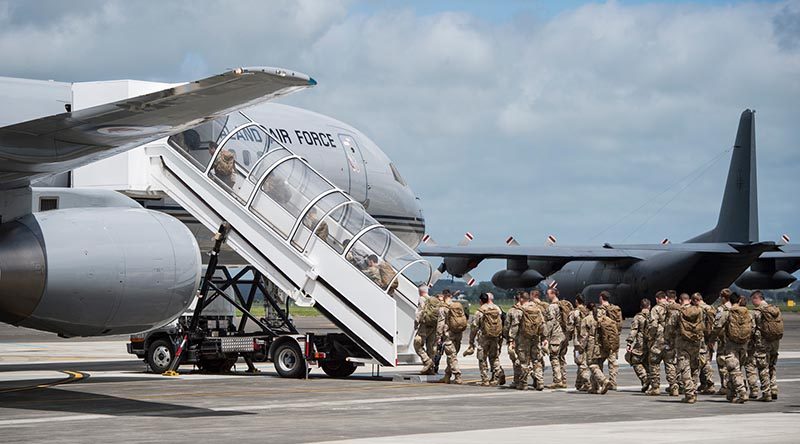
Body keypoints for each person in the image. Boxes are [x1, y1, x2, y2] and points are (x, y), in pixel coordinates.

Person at [714, 294, 751, 403]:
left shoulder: (727, 313)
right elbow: (752, 328)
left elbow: (717, 327)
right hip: (744, 345)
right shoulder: (748, 313)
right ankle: (731, 394)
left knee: (734, 370)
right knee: (735, 369)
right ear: (739, 300)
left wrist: (711, 339)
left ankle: (742, 393)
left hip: (731, 346)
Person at [465, 293, 505, 386]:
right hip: (495, 337)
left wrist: (471, 341)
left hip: (484, 338)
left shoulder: (480, 311)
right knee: (494, 357)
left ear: (480, 301)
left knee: (482, 358)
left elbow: (474, 327)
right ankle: (497, 374)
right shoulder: (497, 309)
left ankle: (485, 379)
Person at [750, 290, 783, 401]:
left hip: (763, 343)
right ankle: (774, 389)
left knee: (763, 367)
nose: (752, 302)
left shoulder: (757, 312)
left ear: (756, 298)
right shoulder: (774, 309)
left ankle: (766, 393)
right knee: (772, 366)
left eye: (753, 299)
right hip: (775, 342)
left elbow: (752, 329)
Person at [509, 292, 545, 390]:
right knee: (536, 360)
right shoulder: (537, 309)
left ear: (521, 299)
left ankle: (523, 383)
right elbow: (542, 324)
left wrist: (511, 339)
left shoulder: (520, 310)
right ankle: (540, 382)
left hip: (523, 339)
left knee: (524, 361)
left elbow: (515, 326)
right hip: (535, 338)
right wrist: (543, 337)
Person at [674, 293, 705, 404]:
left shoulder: (678, 311)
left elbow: (671, 327)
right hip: (696, 343)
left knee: (684, 368)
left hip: (682, 343)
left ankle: (689, 394)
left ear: (680, 300)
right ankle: (694, 391)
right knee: (695, 367)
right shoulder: (699, 310)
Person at [581, 303, 613, 395]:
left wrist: (581, 348)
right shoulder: (601, 318)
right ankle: (595, 387)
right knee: (598, 364)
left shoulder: (586, 319)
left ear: (587, 309)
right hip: (601, 343)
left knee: (591, 364)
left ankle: (604, 381)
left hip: (592, 344)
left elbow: (584, 336)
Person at [436, 291, 466, 384]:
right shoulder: (457, 306)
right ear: (451, 296)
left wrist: (438, 336)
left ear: (444, 296)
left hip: (449, 335)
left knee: (451, 356)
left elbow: (440, 323)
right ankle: (447, 376)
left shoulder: (443, 308)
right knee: (452, 356)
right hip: (458, 334)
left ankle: (458, 376)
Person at [414, 290, 445, 374]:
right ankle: (430, 369)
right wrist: (439, 334)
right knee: (431, 348)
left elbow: (418, 316)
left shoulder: (426, 305)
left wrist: (416, 326)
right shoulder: (440, 308)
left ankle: (427, 361)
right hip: (434, 329)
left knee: (417, 344)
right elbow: (441, 321)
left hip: (424, 327)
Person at [543, 287, 568, 389]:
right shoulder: (563, 305)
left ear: (553, 294)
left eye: (548, 294)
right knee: (562, 358)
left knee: (554, 357)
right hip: (564, 335)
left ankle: (557, 380)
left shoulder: (552, 307)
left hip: (555, 336)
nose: (547, 296)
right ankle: (563, 379)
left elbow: (550, 323)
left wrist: (545, 336)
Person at [645, 291, 669, 396]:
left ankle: (655, 387)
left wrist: (650, 336)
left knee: (654, 362)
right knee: (671, 363)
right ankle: (674, 386)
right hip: (671, 339)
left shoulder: (656, 309)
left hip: (659, 339)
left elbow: (654, 325)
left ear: (657, 299)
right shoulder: (673, 308)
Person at [598, 291, 623, 390]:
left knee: (599, 360)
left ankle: (601, 381)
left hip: (603, 339)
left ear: (601, 298)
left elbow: (598, 324)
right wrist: (616, 334)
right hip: (614, 337)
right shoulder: (616, 309)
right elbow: (620, 324)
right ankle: (613, 382)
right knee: (612, 361)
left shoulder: (600, 310)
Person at [626, 298, 650, 392]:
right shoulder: (654, 315)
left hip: (641, 343)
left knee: (635, 360)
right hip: (652, 343)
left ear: (641, 307)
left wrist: (629, 343)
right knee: (648, 363)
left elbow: (634, 330)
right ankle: (651, 381)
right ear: (649, 306)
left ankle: (645, 378)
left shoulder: (638, 317)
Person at [569, 295, 591, 392]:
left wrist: (569, 336)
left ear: (577, 301)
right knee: (583, 361)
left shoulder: (575, 313)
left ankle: (587, 382)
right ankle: (579, 383)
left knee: (580, 361)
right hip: (589, 340)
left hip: (578, 342)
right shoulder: (589, 312)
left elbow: (569, 327)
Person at [697, 293, 717, 394]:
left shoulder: (699, 309)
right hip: (709, 337)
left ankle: (709, 383)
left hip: (702, 338)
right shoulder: (711, 308)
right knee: (705, 359)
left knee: (704, 361)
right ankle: (704, 383)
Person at [662, 290, 681, 396]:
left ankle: (673, 386)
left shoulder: (665, 309)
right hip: (681, 340)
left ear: (667, 297)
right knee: (680, 362)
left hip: (670, 340)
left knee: (669, 363)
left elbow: (669, 327)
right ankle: (681, 384)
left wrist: (666, 340)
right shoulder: (681, 308)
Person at [714, 289, 733, 395]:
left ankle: (725, 387)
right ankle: (734, 385)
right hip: (734, 339)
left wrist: (712, 338)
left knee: (722, 363)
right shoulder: (735, 307)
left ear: (723, 298)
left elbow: (718, 326)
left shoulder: (721, 309)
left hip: (724, 339)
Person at [505, 293, 524, 387]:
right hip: (528, 338)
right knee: (528, 360)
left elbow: (507, 326)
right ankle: (536, 379)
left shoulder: (512, 311)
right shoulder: (529, 309)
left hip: (517, 338)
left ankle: (517, 381)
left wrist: (508, 338)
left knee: (516, 360)